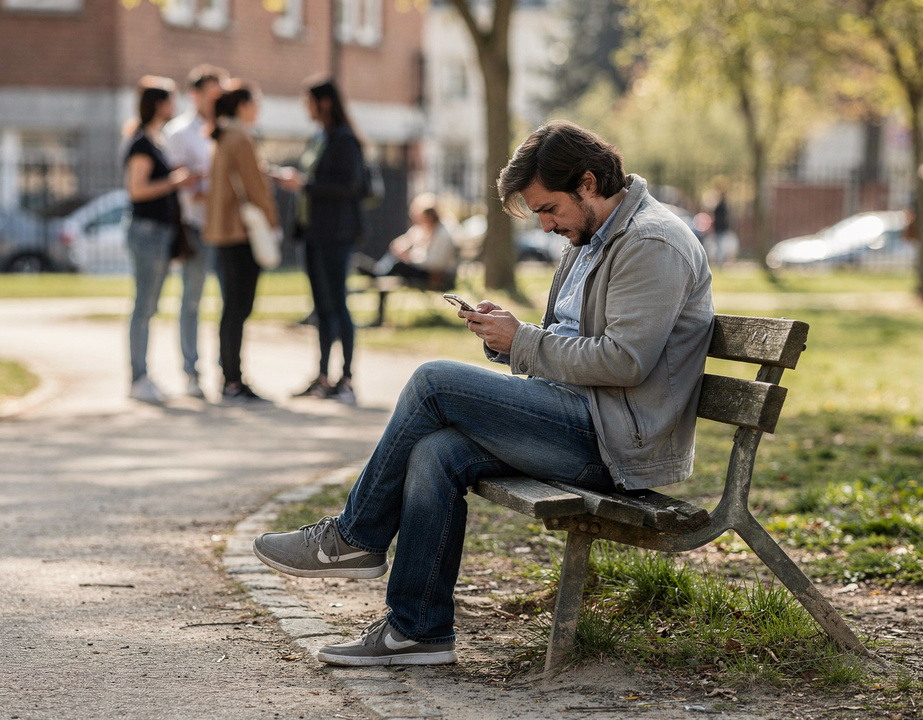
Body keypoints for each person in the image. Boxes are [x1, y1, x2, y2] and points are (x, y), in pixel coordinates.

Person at [253, 120, 714, 666]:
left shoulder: (650, 241)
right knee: (435, 451)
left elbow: (625, 360)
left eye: (549, 208)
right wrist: (509, 338)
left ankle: (354, 537)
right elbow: (569, 339)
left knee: (433, 380)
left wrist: (524, 342)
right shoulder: (592, 235)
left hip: (617, 442)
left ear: (588, 182)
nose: (544, 225)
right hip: (580, 415)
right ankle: (418, 631)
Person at [274, 79, 364, 405]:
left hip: (336, 235)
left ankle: (348, 379)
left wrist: (305, 185)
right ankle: (323, 376)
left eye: (308, 101)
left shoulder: (345, 140)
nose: (305, 107)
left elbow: (349, 185)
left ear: (324, 102)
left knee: (338, 305)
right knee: (321, 308)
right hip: (311, 233)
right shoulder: (318, 138)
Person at [123, 76, 198, 404]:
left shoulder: (156, 140)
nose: (175, 105)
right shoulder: (140, 142)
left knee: (150, 306)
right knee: (144, 307)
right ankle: (138, 378)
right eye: (170, 99)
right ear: (157, 104)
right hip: (147, 233)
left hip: (161, 233)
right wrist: (173, 182)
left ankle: (143, 376)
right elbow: (137, 190)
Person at [205, 82, 280, 405]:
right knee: (239, 306)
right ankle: (233, 380)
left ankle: (230, 377)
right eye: (255, 102)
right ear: (242, 106)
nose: (258, 108)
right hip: (242, 232)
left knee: (231, 307)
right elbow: (255, 188)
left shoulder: (222, 137)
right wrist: (272, 222)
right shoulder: (241, 138)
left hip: (224, 232)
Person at [164, 64, 230, 400]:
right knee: (191, 301)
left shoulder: (226, 130)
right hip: (196, 227)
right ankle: (191, 372)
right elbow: (185, 187)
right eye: (212, 95)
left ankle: (226, 371)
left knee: (228, 303)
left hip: (227, 229)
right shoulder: (178, 133)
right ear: (195, 95)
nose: (218, 102)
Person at [360, 192, 459, 327]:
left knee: (397, 266)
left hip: (435, 275)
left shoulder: (444, 233)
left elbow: (436, 263)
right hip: (420, 267)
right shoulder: (422, 228)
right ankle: (379, 272)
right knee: (393, 264)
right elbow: (397, 244)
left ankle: (377, 272)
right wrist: (403, 247)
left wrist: (410, 258)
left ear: (429, 217)